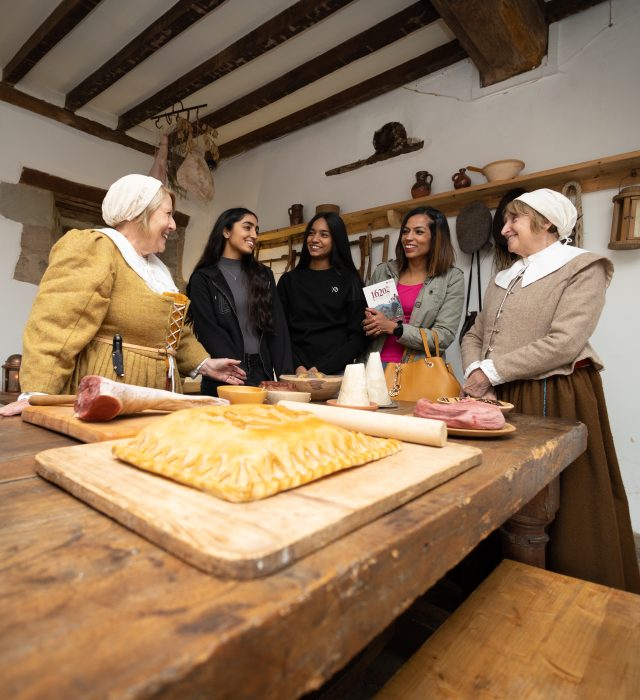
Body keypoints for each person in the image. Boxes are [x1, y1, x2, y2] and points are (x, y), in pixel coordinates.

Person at [461, 188, 640, 593]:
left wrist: (490, 371)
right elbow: (474, 332)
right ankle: (494, 584)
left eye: (514, 220)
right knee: (497, 490)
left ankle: (563, 589)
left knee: (557, 497)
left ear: (546, 224)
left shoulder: (582, 268)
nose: (504, 229)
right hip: (493, 395)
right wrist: (476, 372)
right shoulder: (503, 277)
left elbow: (565, 341)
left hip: (554, 393)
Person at [0, 175, 245, 418]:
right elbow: (55, 325)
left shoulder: (156, 269)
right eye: (167, 214)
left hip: (155, 397)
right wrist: (37, 395)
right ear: (139, 214)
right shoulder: (96, 248)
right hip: (108, 393)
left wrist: (205, 364)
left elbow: (173, 332)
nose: (172, 225)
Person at [187, 207, 293, 396]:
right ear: (226, 231)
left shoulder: (264, 275)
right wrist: (240, 371)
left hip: (262, 371)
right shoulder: (203, 278)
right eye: (247, 227)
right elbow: (208, 331)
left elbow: (277, 329)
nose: (254, 235)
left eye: (256, 230)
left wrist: (287, 379)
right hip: (224, 373)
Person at [363, 206, 464, 364]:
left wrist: (396, 329)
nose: (408, 238)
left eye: (418, 232)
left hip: (418, 373)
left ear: (436, 238)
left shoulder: (452, 278)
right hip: (374, 368)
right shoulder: (383, 271)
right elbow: (368, 323)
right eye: (405, 231)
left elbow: (443, 337)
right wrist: (369, 325)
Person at [277, 212, 366, 375]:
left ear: (336, 240)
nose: (314, 239)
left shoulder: (350, 281)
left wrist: (322, 370)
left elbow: (358, 337)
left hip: (335, 374)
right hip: (295, 372)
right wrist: (297, 366)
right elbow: (280, 331)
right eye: (311, 233)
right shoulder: (288, 281)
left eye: (324, 234)